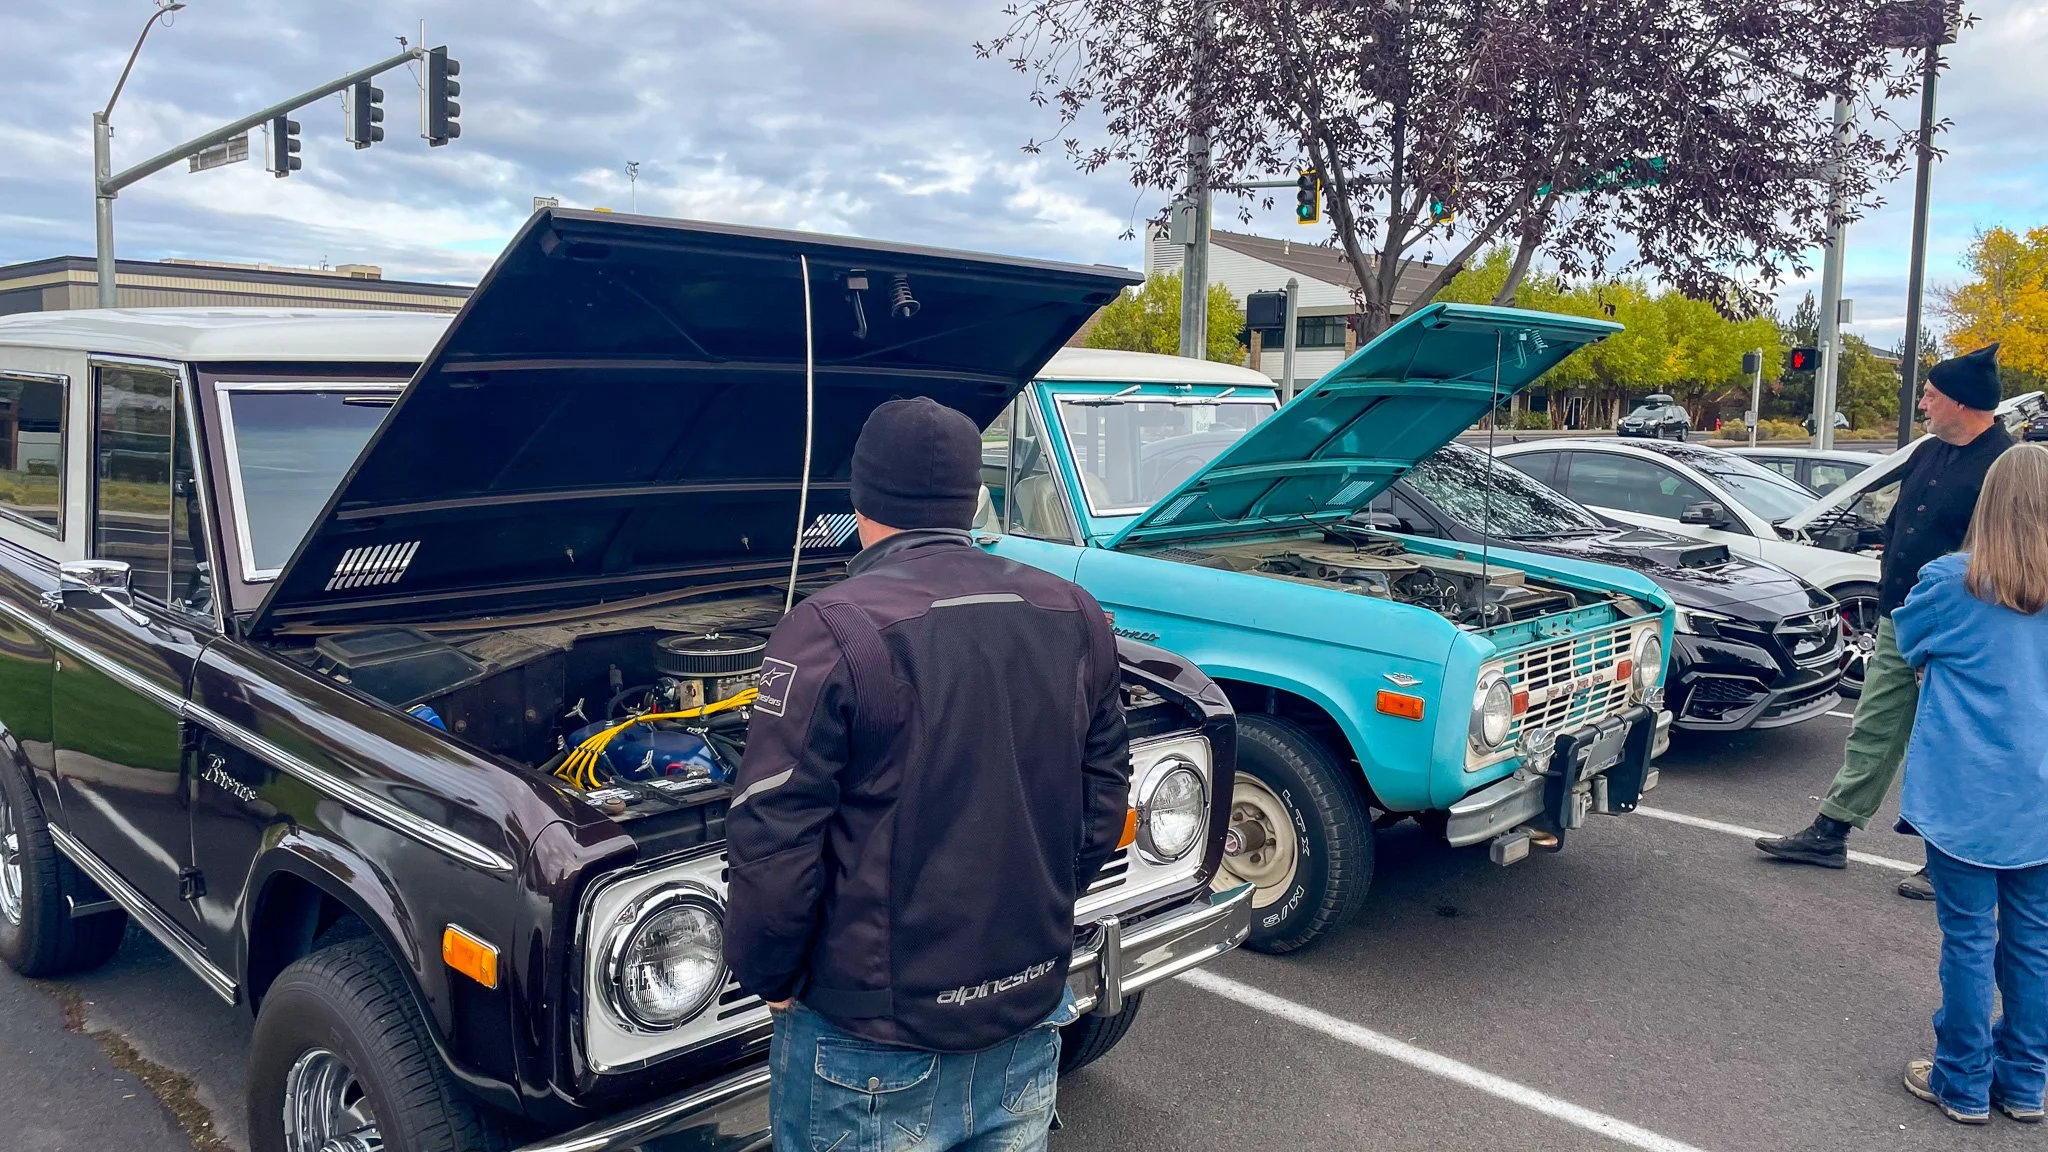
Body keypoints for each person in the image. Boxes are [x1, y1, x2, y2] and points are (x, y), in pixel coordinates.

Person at [723, 396, 1132, 1152]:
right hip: (1030, 1015)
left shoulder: (830, 627)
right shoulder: (1075, 612)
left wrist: (768, 976)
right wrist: (1034, 918)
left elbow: (773, 838)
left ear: (862, 498)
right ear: (970, 497)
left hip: (867, 1044)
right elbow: (1104, 798)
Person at [1755, 344, 2015, 898]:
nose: (1922, 402)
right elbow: (1898, 522)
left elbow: (2008, 550)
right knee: (1875, 726)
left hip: (1963, 629)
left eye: (1931, 394)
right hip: (1904, 616)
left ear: (1964, 403)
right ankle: (1831, 832)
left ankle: (1949, 859)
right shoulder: (1929, 452)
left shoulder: (2004, 465)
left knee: (1949, 742)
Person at [1890, 444, 2048, 1125]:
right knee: (2034, 942)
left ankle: (1961, 1077)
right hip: (2039, 797)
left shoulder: (1951, 583)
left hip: (1962, 794)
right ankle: (2024, 1083)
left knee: (1968, 940)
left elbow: (1909, 645)